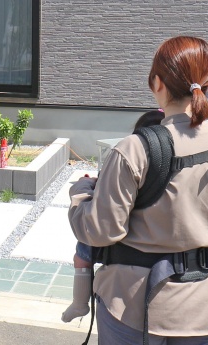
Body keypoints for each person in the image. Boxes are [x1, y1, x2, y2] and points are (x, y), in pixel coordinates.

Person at [68, 36, 208, 344]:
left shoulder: (135, 149)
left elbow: (101, 230)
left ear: (157, 83)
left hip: (133, 304)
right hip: (202, 305)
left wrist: (80, 195)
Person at [62, 109, 165, 323]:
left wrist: (83, 188)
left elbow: (101, 217)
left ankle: (79, 303)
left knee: (82, 256)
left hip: (117, 242)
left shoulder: (127, 158)